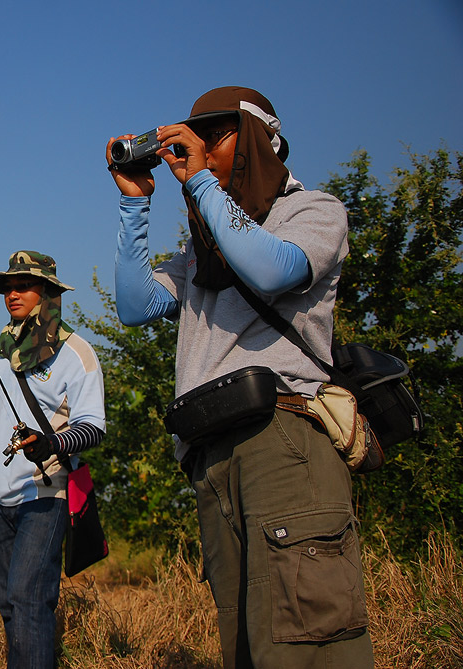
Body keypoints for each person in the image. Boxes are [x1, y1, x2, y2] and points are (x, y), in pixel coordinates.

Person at [107, 87, 374, 668]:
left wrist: (199, 184)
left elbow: (275, 270)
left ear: (259, 138)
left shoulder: (312, 211)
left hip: (283, 437)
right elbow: (134, 304)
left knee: (306, 641)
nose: (198, 150)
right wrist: (135, 206)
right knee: (247, 643)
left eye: (215, 135)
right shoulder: (203, 249)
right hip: (212, 454)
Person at [0, 250, 106, 668]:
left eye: (23, 285)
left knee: (28, 597)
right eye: (8, 286)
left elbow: (94, 427)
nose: (12, 293)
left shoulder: (77, 353)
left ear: (49, 292)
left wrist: (53, 444)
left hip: (46, 492)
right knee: (8, 604)